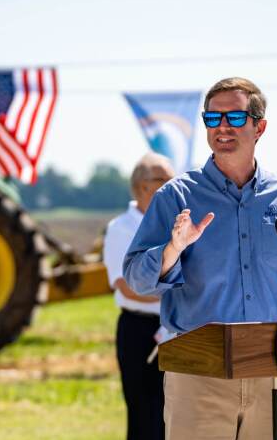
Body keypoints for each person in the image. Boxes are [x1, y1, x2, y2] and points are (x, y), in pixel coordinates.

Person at [123, 77, 277, 440]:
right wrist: (172, 249)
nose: (222, 127)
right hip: (199, 374)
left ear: (260, 127)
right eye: (213, 118)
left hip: (275, 369)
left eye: (235, 117)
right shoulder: (175, 197)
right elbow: (136, 277)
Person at [103, 152, 174, 440]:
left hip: (176, 329)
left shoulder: (176, 224)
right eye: (165, 180)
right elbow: (126, 285)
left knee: (175, 413)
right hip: (140, 331)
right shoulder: (121, 228)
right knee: (144, 415)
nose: (173, 186)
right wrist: (175, 298)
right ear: (144, 186)